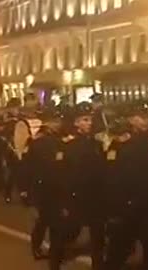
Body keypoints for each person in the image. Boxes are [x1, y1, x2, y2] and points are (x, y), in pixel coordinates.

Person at [104, 100, 148, 270]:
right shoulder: (121, 142)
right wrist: (119, 204)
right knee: (118, 249)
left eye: (146, 117)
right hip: (128, 205)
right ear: (131, 119)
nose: (145, 120)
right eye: (140, 117)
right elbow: (115, 176)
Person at [64, 101, 106, 270]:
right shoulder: (70, 145)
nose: (88, 123)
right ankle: (60, 254)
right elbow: (67, 173)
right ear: (76, 123)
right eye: (84, 120)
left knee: (98, 234)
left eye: (89, 120)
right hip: (77, 194)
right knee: (72, 229)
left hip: (95, 195)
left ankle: (98, 264)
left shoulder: (96, 143)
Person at [27, 107, 64, 260]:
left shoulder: (58, 138)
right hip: (43, 185)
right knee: (43, 220)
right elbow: (32, 166)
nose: (58, 124)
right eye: (55, 121)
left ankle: (55, 249)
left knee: (56, 220)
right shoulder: (40, 141)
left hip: (56, 184)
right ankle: (37, 246)